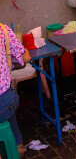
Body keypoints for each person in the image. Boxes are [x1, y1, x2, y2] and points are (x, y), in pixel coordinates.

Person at [0, 24, 30, 156]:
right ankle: (17, 145)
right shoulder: (3, 30)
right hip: (6, 103)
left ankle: (16, 145)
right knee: (6, 104)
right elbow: (26, 57)